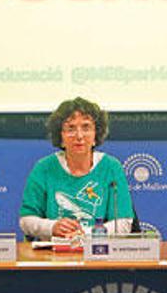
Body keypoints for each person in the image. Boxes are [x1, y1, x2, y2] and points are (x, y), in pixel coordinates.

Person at [19, 97, 134, 240]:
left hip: (97, 253)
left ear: (95, 136)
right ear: (61, 137)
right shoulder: (44, 168)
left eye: (86, 128)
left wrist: (85, 234)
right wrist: (52, 227)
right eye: (71, 128)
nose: (79, 136)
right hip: (52, 255)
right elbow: (26, 220)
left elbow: (123, 223)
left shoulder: (111, 167)